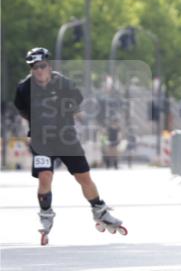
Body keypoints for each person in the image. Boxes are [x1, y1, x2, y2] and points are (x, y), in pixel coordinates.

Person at [13, 47, 126, 245]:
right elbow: (23, 110)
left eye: (42, 66)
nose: (38, 70)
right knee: (45, 176)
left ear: (49, 65)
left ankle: (99, 210)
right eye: (34, 67)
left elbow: (77, 102)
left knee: (83, 177)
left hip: (66, 138)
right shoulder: (24, 89)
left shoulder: (64, 83)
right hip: (41, 139)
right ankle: (46, 214)